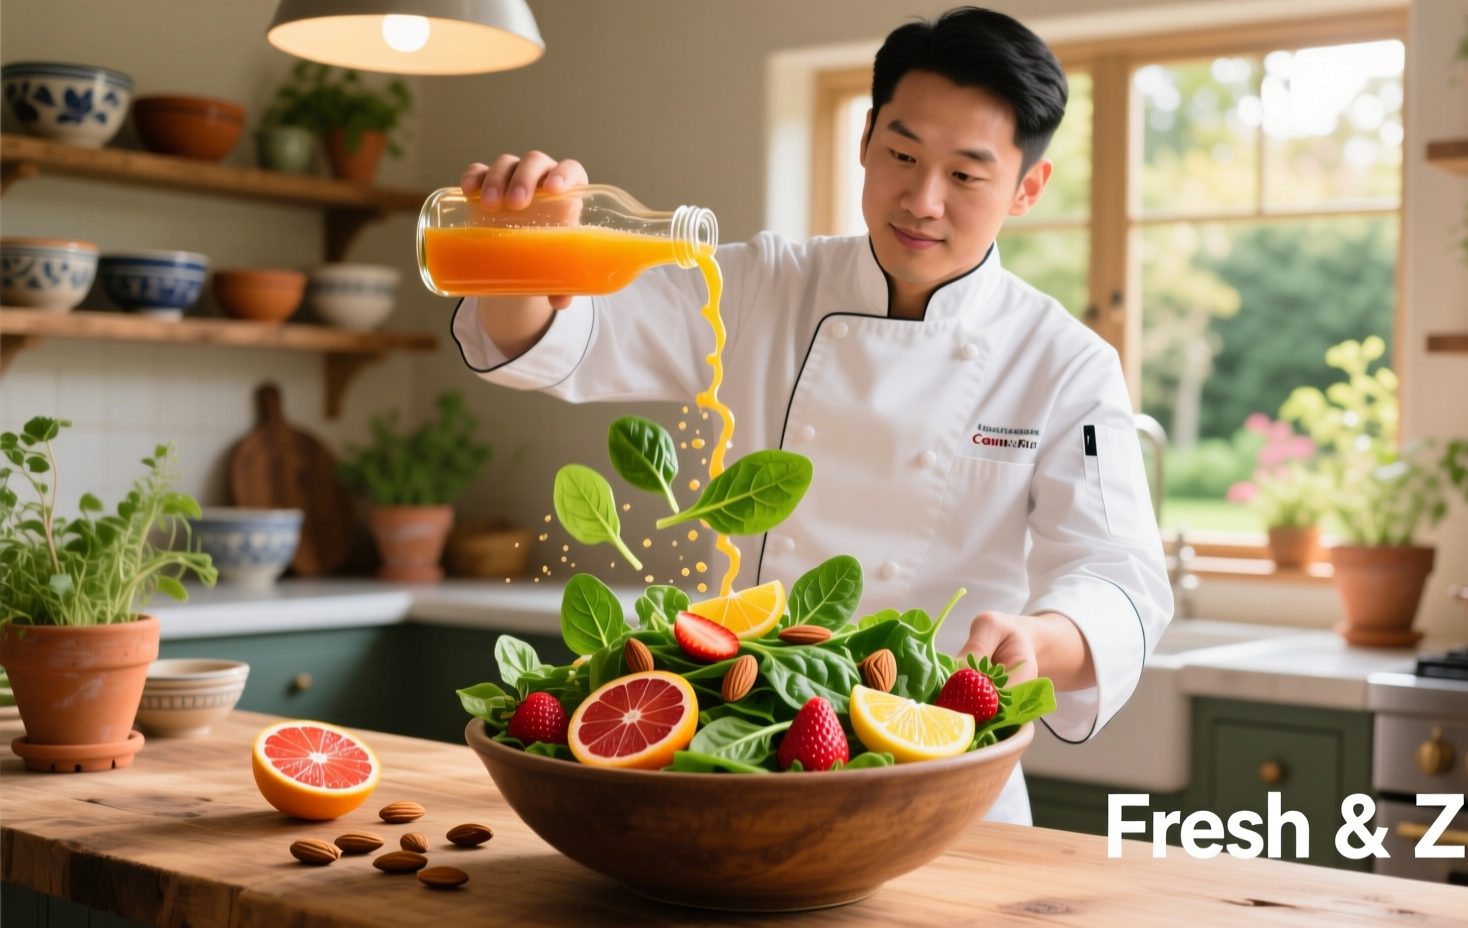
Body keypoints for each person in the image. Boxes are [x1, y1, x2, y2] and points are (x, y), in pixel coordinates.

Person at [450, 7, 1173, 824]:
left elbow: (1120, 577)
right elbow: (554, 339)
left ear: (1027, 189)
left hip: (940, 766)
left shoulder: (1062, 361)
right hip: (749, 745)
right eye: (901, 154)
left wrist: (1038, 642)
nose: (923, 200)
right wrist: (515, 252)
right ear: (865, 140)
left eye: (966, 176)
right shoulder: (762, 284)